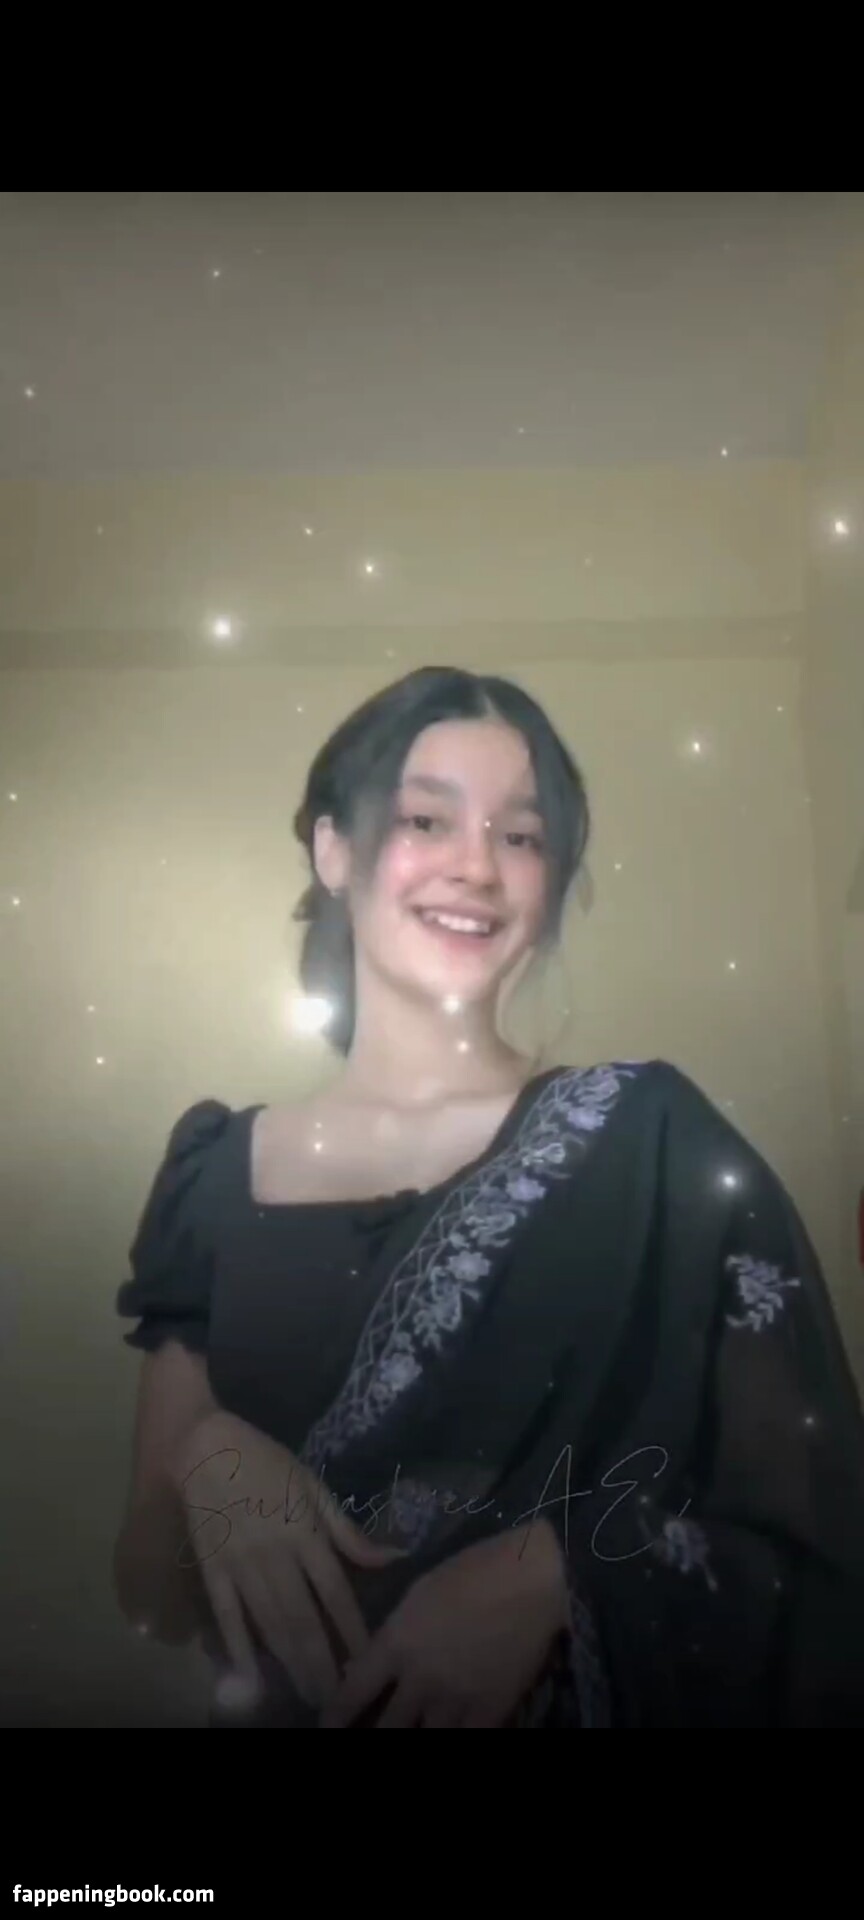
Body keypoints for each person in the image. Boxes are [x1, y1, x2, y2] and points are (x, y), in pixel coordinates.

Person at [114, 664, 864, 1728]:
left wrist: (558, 1571)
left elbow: (816, 1532)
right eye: (426, 819)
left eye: (521, 836)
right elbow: (151, 1597)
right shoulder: (212, 1176)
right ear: (334, 850)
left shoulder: (654, 1141)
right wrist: (205, 1455)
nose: (476, 866)